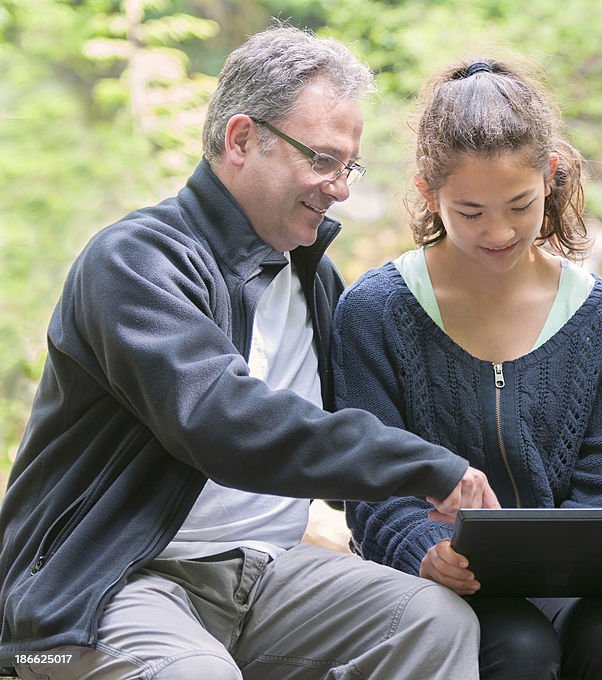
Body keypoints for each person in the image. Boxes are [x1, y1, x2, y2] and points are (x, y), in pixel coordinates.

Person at [0, 25, 502, 680]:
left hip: (267, 572)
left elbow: (348, 435)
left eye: (348, 166)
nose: (340, 187)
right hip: (110, 581)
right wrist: (425, 466)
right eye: (321, 160)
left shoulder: (313, 277)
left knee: (434, 623)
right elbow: (222, 419)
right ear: (240, 139)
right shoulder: (136, 261)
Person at [332, 59, 602, 680]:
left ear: (550, 177)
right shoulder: (375, 310)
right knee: (517, 649)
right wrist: (424, 550)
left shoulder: (600, 315)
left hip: (583, 584)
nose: (499, 232)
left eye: (519, 205)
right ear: (427, 193)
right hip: (443, 583)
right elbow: (371, 483)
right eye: (469, 212)